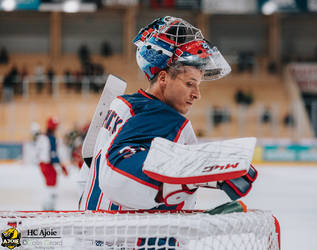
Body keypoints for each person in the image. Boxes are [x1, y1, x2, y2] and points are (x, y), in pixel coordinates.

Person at [79, 17, 256, 214]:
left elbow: (89, 174)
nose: (197, 94)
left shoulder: (122, 105)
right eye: (189, 83)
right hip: (134, 241)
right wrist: (201, 173)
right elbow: (119, 179)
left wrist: (207, 176)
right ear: (163, 78)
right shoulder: (166, 120)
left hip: (93, 229)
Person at [36, 117, 68, 210]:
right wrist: (62, 167)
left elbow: (39, 153)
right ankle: (49, 205)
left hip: (43, 164)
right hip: (47, 164)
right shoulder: (51, 139)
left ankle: (49, 203)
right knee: (51, 184)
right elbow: (53, 154)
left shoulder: (42, 137)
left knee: (50, 184)